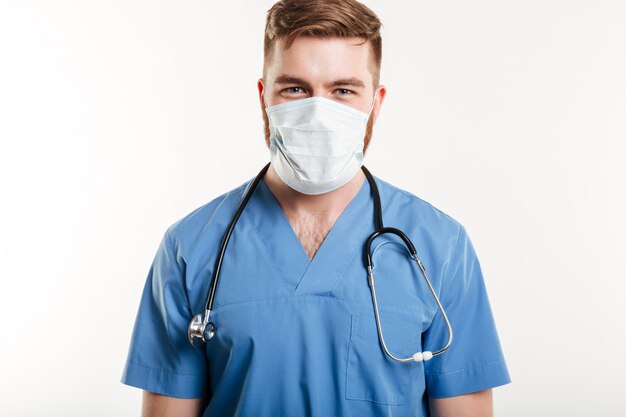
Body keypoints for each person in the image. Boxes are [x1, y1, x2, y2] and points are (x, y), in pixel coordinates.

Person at [121, 1, 511, 415]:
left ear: (375, 103)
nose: (319, 114)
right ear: (263, 96)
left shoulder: (440, 246)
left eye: (343, 90)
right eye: (295, 89)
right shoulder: (191, 247)